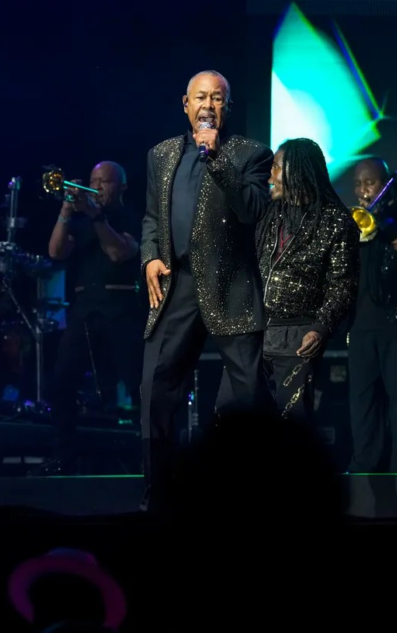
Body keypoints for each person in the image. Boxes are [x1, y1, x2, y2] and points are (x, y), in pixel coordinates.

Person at [138, 70, 274, 512]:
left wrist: (217, 160)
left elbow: (252, 210)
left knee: (246, 396)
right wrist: (150, 256)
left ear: (227, 107)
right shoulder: (161, 154)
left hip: (230, 282)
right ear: (186, 104)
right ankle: (158, 496)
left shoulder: (251, 153)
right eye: (201, 98)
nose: (208, 106)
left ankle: (245, 499)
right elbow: (151, 218)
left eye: (217, 98)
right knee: (155, 389)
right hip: (177, 284)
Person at [34, 161, 144, 475]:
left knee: (136, 383)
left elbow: (118, 252)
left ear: (121, 187)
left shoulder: (132, 217)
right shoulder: (82, 222)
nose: (96, 187)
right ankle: (63, 455)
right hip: (84, 311)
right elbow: (56, 251)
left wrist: (96, 216)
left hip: (122, 309)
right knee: (62, 381)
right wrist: (66, 211)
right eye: (93, 181)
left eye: (104, 182)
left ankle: (149, 454)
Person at [255, 138, 360, 420]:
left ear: (297, 171)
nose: (270, 175)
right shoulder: (270, 214)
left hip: (298, 338)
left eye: (276, 167)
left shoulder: (336, 221)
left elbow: (343, 285)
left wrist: (320, 327)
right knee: (234, 416)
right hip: (256, 334)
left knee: (291, 424)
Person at [348, 157, 397, 472]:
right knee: (362, 406)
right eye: (358, 185)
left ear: (386, 182)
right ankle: (364, 474)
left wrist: (385, 221)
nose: (363, 191)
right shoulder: (354, 219)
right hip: (361, 328)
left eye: (369, 183)